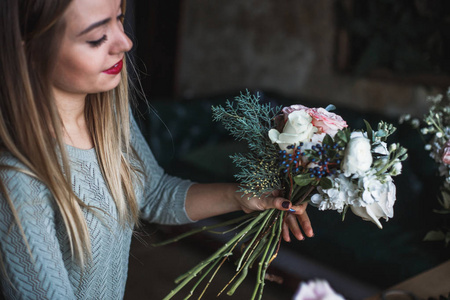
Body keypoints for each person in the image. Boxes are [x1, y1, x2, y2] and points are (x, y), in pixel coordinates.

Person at [0, 0, 314, 298]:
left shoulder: (109, 116)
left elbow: (153, 194)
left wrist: (241, 196)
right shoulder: (17, 180)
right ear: (29, 51)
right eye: (97, 38)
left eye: (120, 18)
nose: (125, 42)